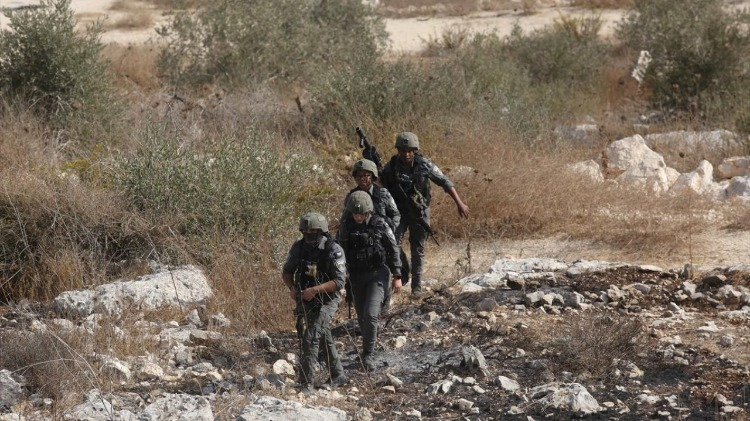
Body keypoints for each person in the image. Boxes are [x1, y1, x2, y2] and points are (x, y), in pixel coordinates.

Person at [381, 131, 470, 298]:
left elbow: (445, 181)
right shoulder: (390, 167)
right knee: (392, 242)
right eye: (403, 150)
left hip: (419, 212)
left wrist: (459, 203)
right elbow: (381, 185)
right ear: (398, 150)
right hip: (398, 212)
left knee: (418, 248)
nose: (406, 154)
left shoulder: (424, 165)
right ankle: (401, 271)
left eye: (410, 151)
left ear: (415, 150)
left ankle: (416, 287)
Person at [281, 212, 347, 391]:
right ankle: (338, 374)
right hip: (306, 299)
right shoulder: (299, 247)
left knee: (311, 338)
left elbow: (339, 281)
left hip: (328, 299)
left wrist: (315, 290)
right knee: (322, 334)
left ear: (321, 231)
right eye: (306, 231)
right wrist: (292, 288)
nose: (309, 234)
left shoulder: (333, 249)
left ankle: (305, 383)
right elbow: (287, 272)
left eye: (313, 231)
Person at [339, 191, 402, 371]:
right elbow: (339, 252)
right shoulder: (346, 228)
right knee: (362, 318)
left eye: (361, 214)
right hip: (356, 277)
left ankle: (368, 354)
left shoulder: (380, 224)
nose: (358, 217)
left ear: (368, 212)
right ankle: (368, 345)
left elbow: (393, 248)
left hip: (377, 275)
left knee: (371, 314)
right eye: (355, 213)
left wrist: (397, 275)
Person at [339, 159, 402, 314]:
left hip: (382, 237)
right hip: (360, 240)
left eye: (366, 175)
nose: (362, 179)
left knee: (388, 268)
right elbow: (344, 220)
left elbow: (395, 215)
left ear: (373, 176)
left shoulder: (383, 194)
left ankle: (383, 306)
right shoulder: (351, 197)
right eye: (359, 176)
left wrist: (389, 231)